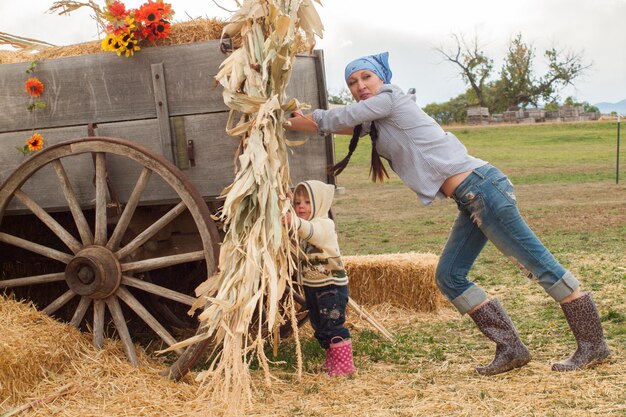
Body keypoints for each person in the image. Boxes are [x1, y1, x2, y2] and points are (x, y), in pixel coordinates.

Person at [285, 52, 610, 375]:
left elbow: (338, 118)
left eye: (365, 77)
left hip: (484, 190)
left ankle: (593, 346)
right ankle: (511, 348)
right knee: (449, 276)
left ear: (381, 77)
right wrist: (281, 115)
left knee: (540, 265)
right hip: (470, 200)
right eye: (352, 82)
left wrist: (313, 117)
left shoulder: (390, 98)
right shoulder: (374, 120)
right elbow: (325, 124)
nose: (359, 86)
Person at [286, 180, 355, 377]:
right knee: (319, 324)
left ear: (319, 204)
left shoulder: (324, 225)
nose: (301, 206)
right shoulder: (303, 225)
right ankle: (333, 358)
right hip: (314, 287)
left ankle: (345, 365)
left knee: (332, 325)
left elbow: (311, 232)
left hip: (331, 287)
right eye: (298, 202)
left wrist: (294, 221)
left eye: (307, 202)